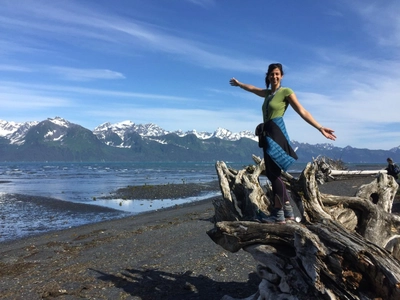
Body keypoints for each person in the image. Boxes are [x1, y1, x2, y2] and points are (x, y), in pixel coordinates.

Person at [230, 63, 336, 223]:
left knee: (274, 174)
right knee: (273, 174)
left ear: (281, 76)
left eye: (277, 74)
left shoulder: (286, 92)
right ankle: (287, 212)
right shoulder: (267, 94)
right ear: (268, 76)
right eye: (272, 74)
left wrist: (320, 127)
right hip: (266, 133)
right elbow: (252, 88)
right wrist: (239, 85)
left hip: (276, 131)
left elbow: (302, 111)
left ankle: (278, 213)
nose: (274, 76)